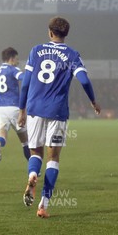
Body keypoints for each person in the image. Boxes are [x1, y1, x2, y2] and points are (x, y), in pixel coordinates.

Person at [18, 16, 101, 218]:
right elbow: (84, 79)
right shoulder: (72, 54)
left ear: (50, 32)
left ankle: (32, 175)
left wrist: (21, 109)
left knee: (35, 152)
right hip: (57, 111)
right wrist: (93, 101)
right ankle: (43, 206)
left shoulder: (36, 50)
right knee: (53, 158)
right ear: (66, 33)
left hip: (35, 108)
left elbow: (26, 82)